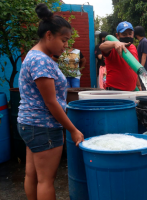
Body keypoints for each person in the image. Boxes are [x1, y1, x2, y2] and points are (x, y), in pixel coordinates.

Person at [17, 4, 84, 200]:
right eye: (63, 40)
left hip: (30, 124)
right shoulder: (42, 61)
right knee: (46, 180)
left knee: (33, 175)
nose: (66, 45)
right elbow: (51, 102)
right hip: (43, 126)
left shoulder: (33, 55)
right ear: (49, 35)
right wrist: (72, 129)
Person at [99, 21, 142, 91]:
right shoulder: (113, 47)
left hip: (131, 91)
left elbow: (133, 67)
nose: (128, 36)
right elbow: (102, 46)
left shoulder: (133, 47)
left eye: (130, 34)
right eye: (124, 34)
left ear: (133, 34)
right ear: (117, 35)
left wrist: (138, 85)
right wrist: (115, 43)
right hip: (115, 91)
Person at [134, 26, 147, 90]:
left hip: (144, 67)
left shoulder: (144, 41)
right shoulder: (142, 41)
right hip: (142, 66)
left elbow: (144, 55)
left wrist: (141, 68)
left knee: (143, 85)